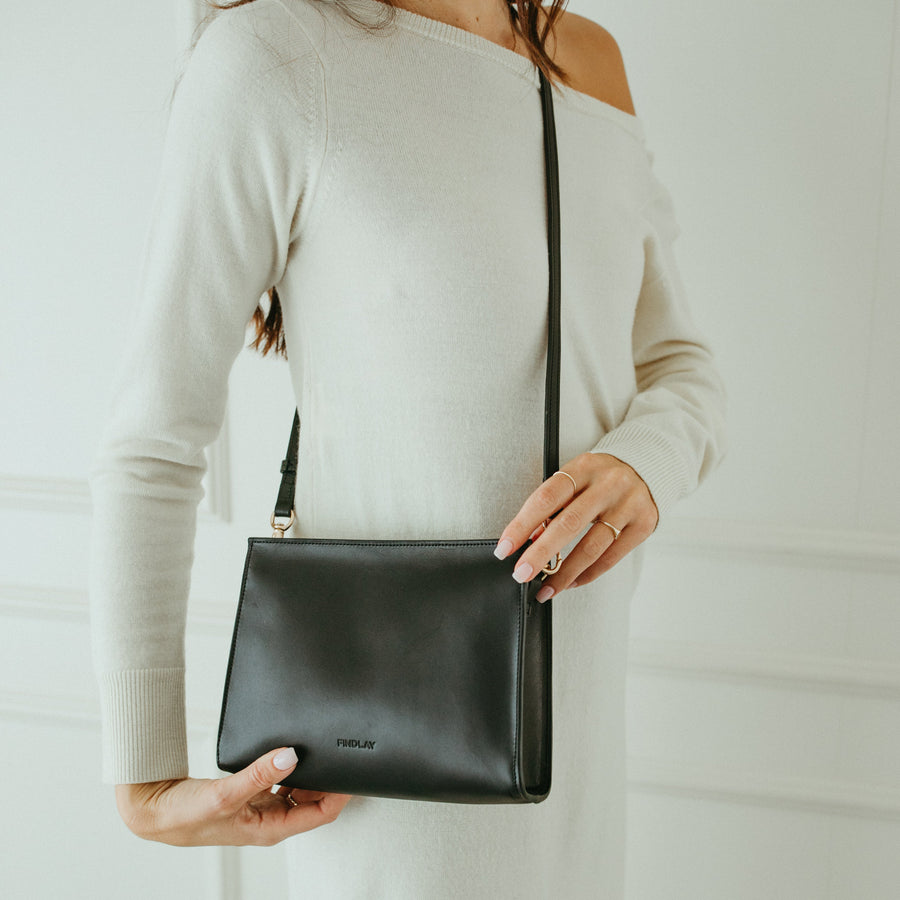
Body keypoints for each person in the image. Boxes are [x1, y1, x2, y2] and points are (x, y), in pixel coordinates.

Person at [88, 0, 727, 895]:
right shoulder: (277, 55)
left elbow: (678, 361)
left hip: (575, 759)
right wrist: (144, 772)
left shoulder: (589, 62)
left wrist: (645, 461)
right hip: (382, 794)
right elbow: (154, 439)